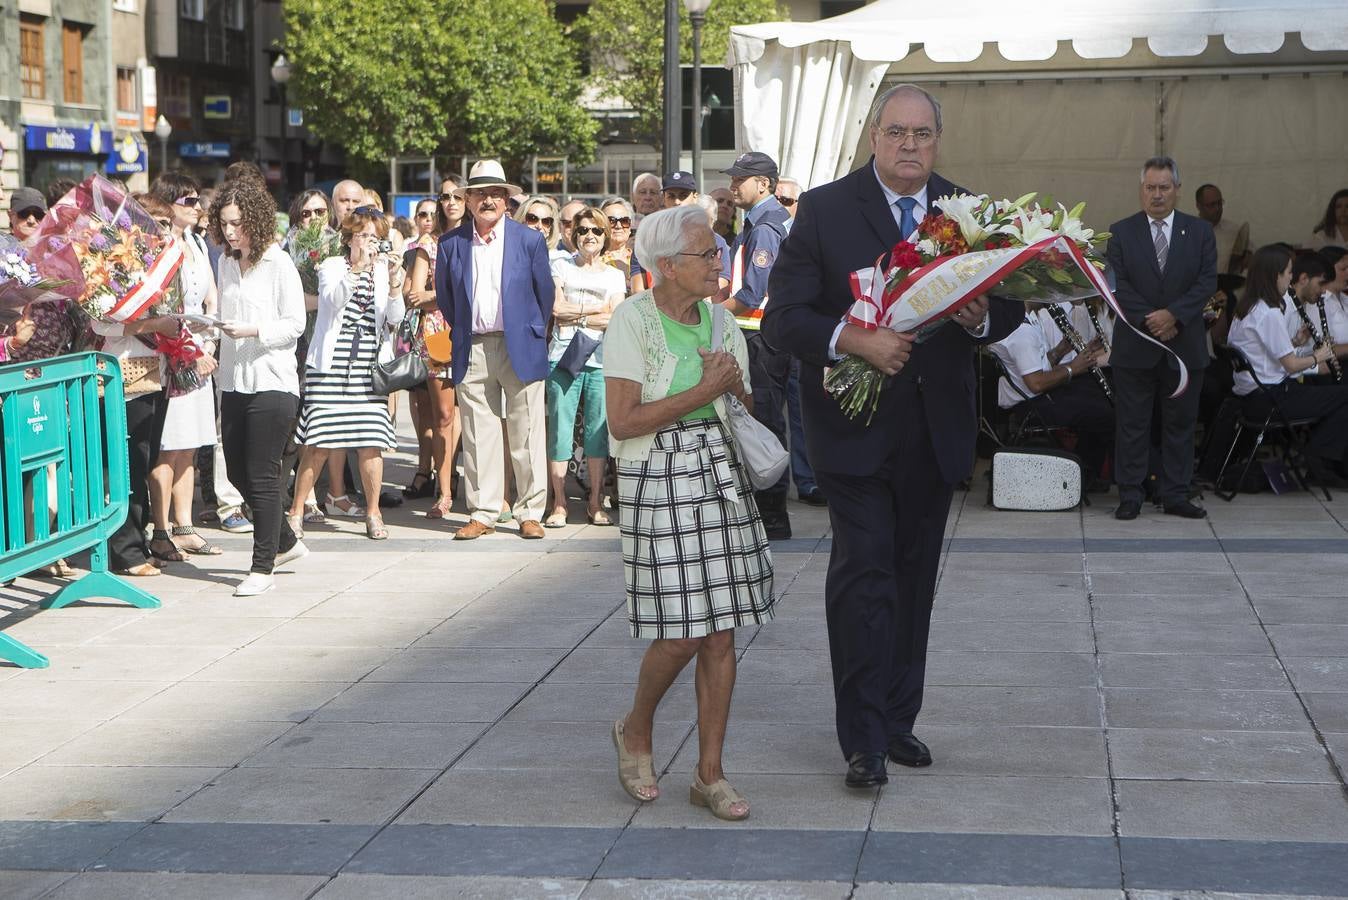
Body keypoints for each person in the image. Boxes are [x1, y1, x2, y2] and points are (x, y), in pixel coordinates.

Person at [763, 83, 1021, 789]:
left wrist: (977, 318)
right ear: (874, 137)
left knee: (912, 583)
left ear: (939, 140)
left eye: (923, 135)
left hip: (933, 434)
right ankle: (863, 738)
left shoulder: (970, 212)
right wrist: (853, 339)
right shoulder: (822, 209)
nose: (910, 146)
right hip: (850, 435)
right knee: (865, 575)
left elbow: (1011, 311)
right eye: (897, 133)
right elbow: (784, 318)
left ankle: (899, 719)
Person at [604, 204, 773, 822]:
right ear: (667, 266)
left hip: (720, 473)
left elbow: (746, 404)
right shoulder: (632, 320)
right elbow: (621, 422)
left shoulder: (724, 323)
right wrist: (703, 390)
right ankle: (637, 728)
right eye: (707, 254)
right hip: (657, 474)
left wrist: (729, 388)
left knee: (721, 628)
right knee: (682, 630)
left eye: (719, 251)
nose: (719, 262)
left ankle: (710, 773)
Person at [434, 159, 554, 540]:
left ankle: (530, 512)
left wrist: (532, 332)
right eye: (480, 193)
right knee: (477, 432)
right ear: (468, 200)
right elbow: (449, 300)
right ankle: (484, 512)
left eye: (496, 193)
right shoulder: (451, 243)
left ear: (507, 200)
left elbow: (544, 296)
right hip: (473, 345)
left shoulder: (529, 239)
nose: (488, 199)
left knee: (527, 431)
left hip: (521, 344)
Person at [210, 179, 309, 596]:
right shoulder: (225, 263)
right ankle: (285, 541)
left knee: (264, 475)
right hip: (233, 380)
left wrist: (253, 331)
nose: (231, 232)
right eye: (224, 224)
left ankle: (261, 566)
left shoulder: (278, 262)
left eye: (237, 223)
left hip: (272, 380)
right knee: (235, 471)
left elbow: (296, 324)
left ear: (254, 219)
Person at [1108, 156, 1217, 520]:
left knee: (1181, 424)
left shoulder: (1199, 232)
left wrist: (1175, 316)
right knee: (1132, 424)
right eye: (1150, 188)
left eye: (1164, 188)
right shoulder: (1120, 232)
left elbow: (1206, 281)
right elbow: (1116, 284)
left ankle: (1176, 494)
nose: (1157, 195)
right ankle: (1131, 494)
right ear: (1141, 190)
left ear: (1177, 190)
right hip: (1135, 346)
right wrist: (1150, 320)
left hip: (1184, 345)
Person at [288, 206, 406, 541]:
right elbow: (332, 300)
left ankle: (373, 512)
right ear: (350, 237)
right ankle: (297, 510)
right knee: (319, 442)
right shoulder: (333, 266)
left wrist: (395, 280)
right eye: (365, 235)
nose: (371, 242)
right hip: (331, 367)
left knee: (371, 442)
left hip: (368, 368)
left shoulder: (383, 271)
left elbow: (395, 318)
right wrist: (356, 268)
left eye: (376, 236)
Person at [146, 172, 223, 560]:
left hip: (198, 349)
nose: (197, 207)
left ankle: (185, 525)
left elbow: (211, 300)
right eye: (188, 200)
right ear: (169, 204)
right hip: (171, 354)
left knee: (190, 445)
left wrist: (208, 342)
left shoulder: (195, 242)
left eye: (197, 200)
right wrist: (191, 350)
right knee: (168, 447)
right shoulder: (157, 247)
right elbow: (162, 311)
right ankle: (160, 530)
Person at [1227, 244, 1348, 483]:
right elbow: (1290, 366)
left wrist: (1295, 342)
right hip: (1270, 399)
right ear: (1276, 275)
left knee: (1336, 394)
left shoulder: (1249, 306)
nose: (1291, 278)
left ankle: (1320, 458)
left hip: (1255, 396)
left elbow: (1268, 356)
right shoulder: (1270, 311)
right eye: (1288, 272)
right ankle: (1316, 459)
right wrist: (1319, 358)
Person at [721, 152, 794, 539]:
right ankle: (769, 510)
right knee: (763, 419)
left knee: (765, 422)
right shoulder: (761, 221)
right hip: (760, 336)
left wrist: (711, 307)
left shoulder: (765, 226)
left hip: (761, 338)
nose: (734, 186)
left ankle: (772, 513)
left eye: (741, 179)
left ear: (763, 184)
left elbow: (752, 293)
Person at [544, 205, 625, 527]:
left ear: (605, 236)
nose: (589, 236)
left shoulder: (615, 274)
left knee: (597, 432)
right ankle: (560, 502)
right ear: (573, 235)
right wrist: (594, 309)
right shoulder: (560, 266)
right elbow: (556, 309)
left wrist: (575, 312)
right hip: (562, 356)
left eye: (596, 231)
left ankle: (594, 501)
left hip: (600, 360)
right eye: (582, 231)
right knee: (560, 430)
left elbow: (615, 316)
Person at [990, 304, 1115, 487]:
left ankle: (1086, 472)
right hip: (1032, 405)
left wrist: (1061, 350)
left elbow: (1039, 365)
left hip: (1039, 396)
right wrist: (1074, 367)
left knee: (1097, 396)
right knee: (1106, 413)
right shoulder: (1022, 332)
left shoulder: (1030, 321)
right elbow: (1036, 383)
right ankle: (1084, 474)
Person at [403, 197, 461, 517]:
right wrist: (443, 296)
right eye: (446, 197)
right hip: (439, 335)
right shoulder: (429, 242)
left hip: (477, 330)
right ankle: (445, 490)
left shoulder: (475, 238)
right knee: (443, 417)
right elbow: (413, 296)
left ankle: (487, 491)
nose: (452, 202)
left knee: (479, 414)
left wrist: (435, 295)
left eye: (458, 196)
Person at [1194, 184, 1250, 274]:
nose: (1217, 208)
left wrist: (1249, 254)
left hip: (1226, 285)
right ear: (1199, 206)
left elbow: (1252, 252)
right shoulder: (1187, 232)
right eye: (1212, 205)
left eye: (1219, 203)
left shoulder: (1234, 230)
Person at [515, 195, 571, 267]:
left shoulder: (561, 259)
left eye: (546, 221)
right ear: (521, 219)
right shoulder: (506, 253)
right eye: (532, 218)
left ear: (550, 228)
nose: (539, 226)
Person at [601, 198, 637, 281]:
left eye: (624, 221)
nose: (618, 226)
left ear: (630, 227)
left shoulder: (641, 259)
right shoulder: (593, 259)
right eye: (611, 221)